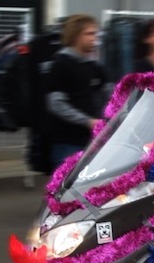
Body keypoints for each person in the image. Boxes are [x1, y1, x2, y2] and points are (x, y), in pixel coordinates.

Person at [46, 14, 107, 169]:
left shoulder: (94, 65)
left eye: (95, 34)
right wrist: (87, 121)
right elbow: (56, 104)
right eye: (89, 34)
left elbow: (107, 91)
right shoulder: (61, 64)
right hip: (68, 143)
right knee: (67, 191)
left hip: (93, 142)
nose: (94, 38)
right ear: (75, 35)